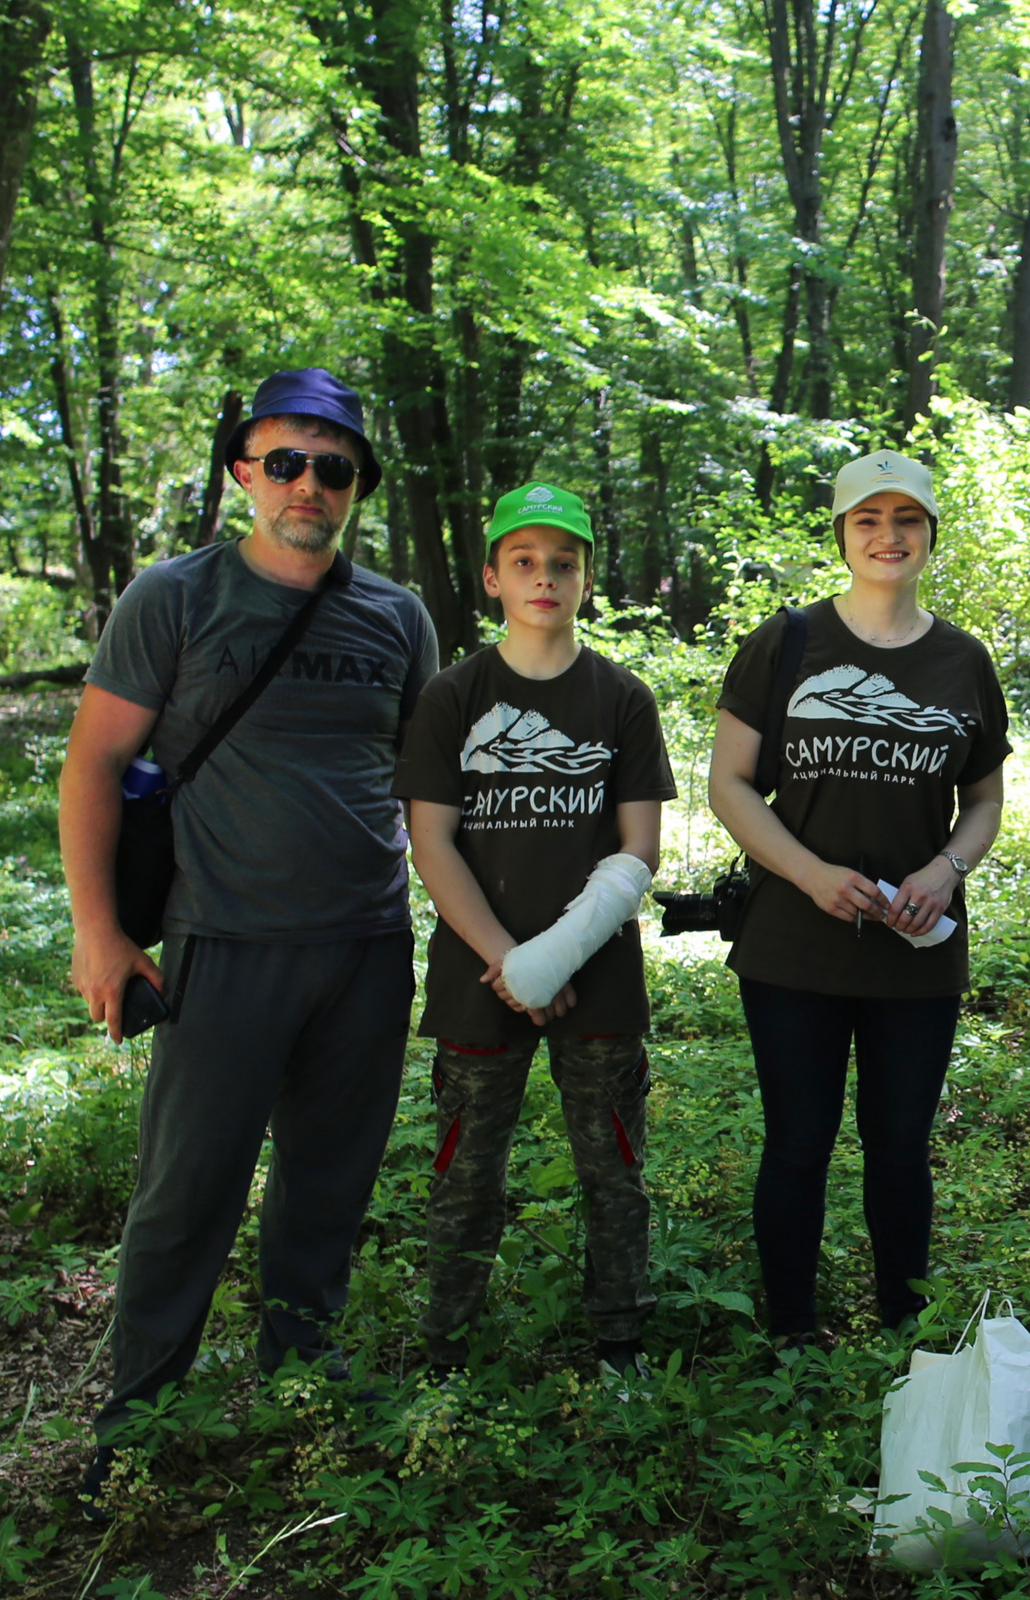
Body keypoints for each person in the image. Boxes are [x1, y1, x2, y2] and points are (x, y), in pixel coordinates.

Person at [58, 368, 438, 1515]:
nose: (308, 485)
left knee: (328, 1181)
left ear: (356, 485)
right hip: (221, 942)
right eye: (285, 462)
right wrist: (101, 932)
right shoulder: (172, 599)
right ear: (243, 474)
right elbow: (92, 766)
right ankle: (136, 1415)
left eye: (332, 468)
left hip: (368, 945)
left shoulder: (399, 613)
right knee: (187, 1190)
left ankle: (303, 1371)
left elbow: (426, 787)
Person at [707, 451, 1011, 1346]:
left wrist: (944, 870)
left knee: (899, 1147)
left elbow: (986, 798)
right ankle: (793, 1333)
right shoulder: (788, 642)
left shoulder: (963, 659)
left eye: (907, 520)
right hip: (794, 947)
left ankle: (904, 1326)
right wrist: (807, 873)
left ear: (929, 535)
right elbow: (729, 783)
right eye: (868, 520)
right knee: (798, 1144)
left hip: (916, 948)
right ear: (841, 533)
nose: (889, 536)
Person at [392, 482, 676, 1385]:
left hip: (600, 979)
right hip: (476, 979)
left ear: (587, 578)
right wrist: (513, 961)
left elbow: (640, 850)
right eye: (525, 562)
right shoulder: (452, 696)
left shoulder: (621, 699)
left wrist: (561, 955)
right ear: (492, 578)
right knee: (465, 1175)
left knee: (613, 1172)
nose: (544, 577)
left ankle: (620, 1344)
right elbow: (429, 842)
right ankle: (447, 1352)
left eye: (563, 562)